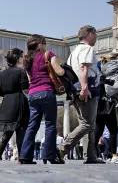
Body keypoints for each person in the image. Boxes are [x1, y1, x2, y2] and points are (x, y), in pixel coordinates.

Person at [58, 26, 103, 164]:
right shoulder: (86, 49)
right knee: (87, 124)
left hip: (76, 90)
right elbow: (84, 68)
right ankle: (62, 149)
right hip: (86, 90)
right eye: (95, 34)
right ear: (89, 34)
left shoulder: (74, 52)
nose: (96, 37)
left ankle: (91, 156)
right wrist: (84, 88)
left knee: (90, 124)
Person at [19, 35, 65, 164]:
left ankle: (25, 156)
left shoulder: (27, 59)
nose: (45, 45)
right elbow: (59, 72)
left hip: (33, 94)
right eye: (44, 42)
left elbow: (29, 78)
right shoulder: (48, 54)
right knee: (50, 124)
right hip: (46, 92)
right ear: (39, 44)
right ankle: (48, 155)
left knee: (32, 126)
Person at [0, 48, 29, 164]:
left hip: (6, 103)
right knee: (21, 131)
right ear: (17, 59)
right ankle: (22, 158)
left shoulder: (1, 75)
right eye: (22, 56)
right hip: (19, 101)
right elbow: (26, 89)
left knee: (6, 134)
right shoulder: (21, 72)